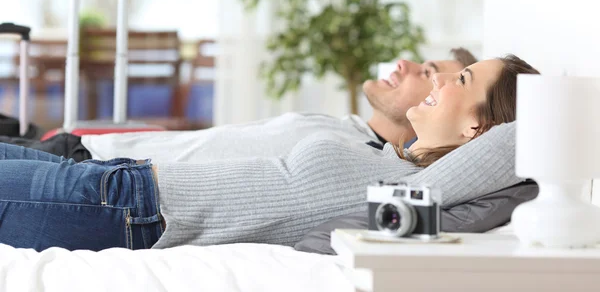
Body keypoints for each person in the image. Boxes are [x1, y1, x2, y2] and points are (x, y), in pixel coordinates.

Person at [0, 55, 539, 252]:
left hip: (130, 208)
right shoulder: (396, 165)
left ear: (478, 128)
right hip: (119, 178)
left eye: (458, 79)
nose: (438, 82)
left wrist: (557, 107)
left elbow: (519, 140)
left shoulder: (422, 192)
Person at [0, 48, 477, 162]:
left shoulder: (358, 158)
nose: (407, 62)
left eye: (429, 73)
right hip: (84, 147)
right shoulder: (342, 127)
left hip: (90, 163)